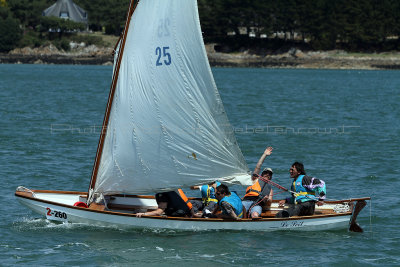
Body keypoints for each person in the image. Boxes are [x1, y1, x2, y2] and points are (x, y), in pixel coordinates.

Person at [242, 147, 274, 218]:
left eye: (270, 174)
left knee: (255, 214)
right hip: (247, 201)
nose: (267, 174)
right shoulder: (255, 179)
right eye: (266, 172)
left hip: (258, 204)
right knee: (240, 211)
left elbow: (269, 203)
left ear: (271, 177)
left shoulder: (270, 189)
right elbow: (258, 166)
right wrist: (264, 154)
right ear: (261, 174)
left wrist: (267, 199)